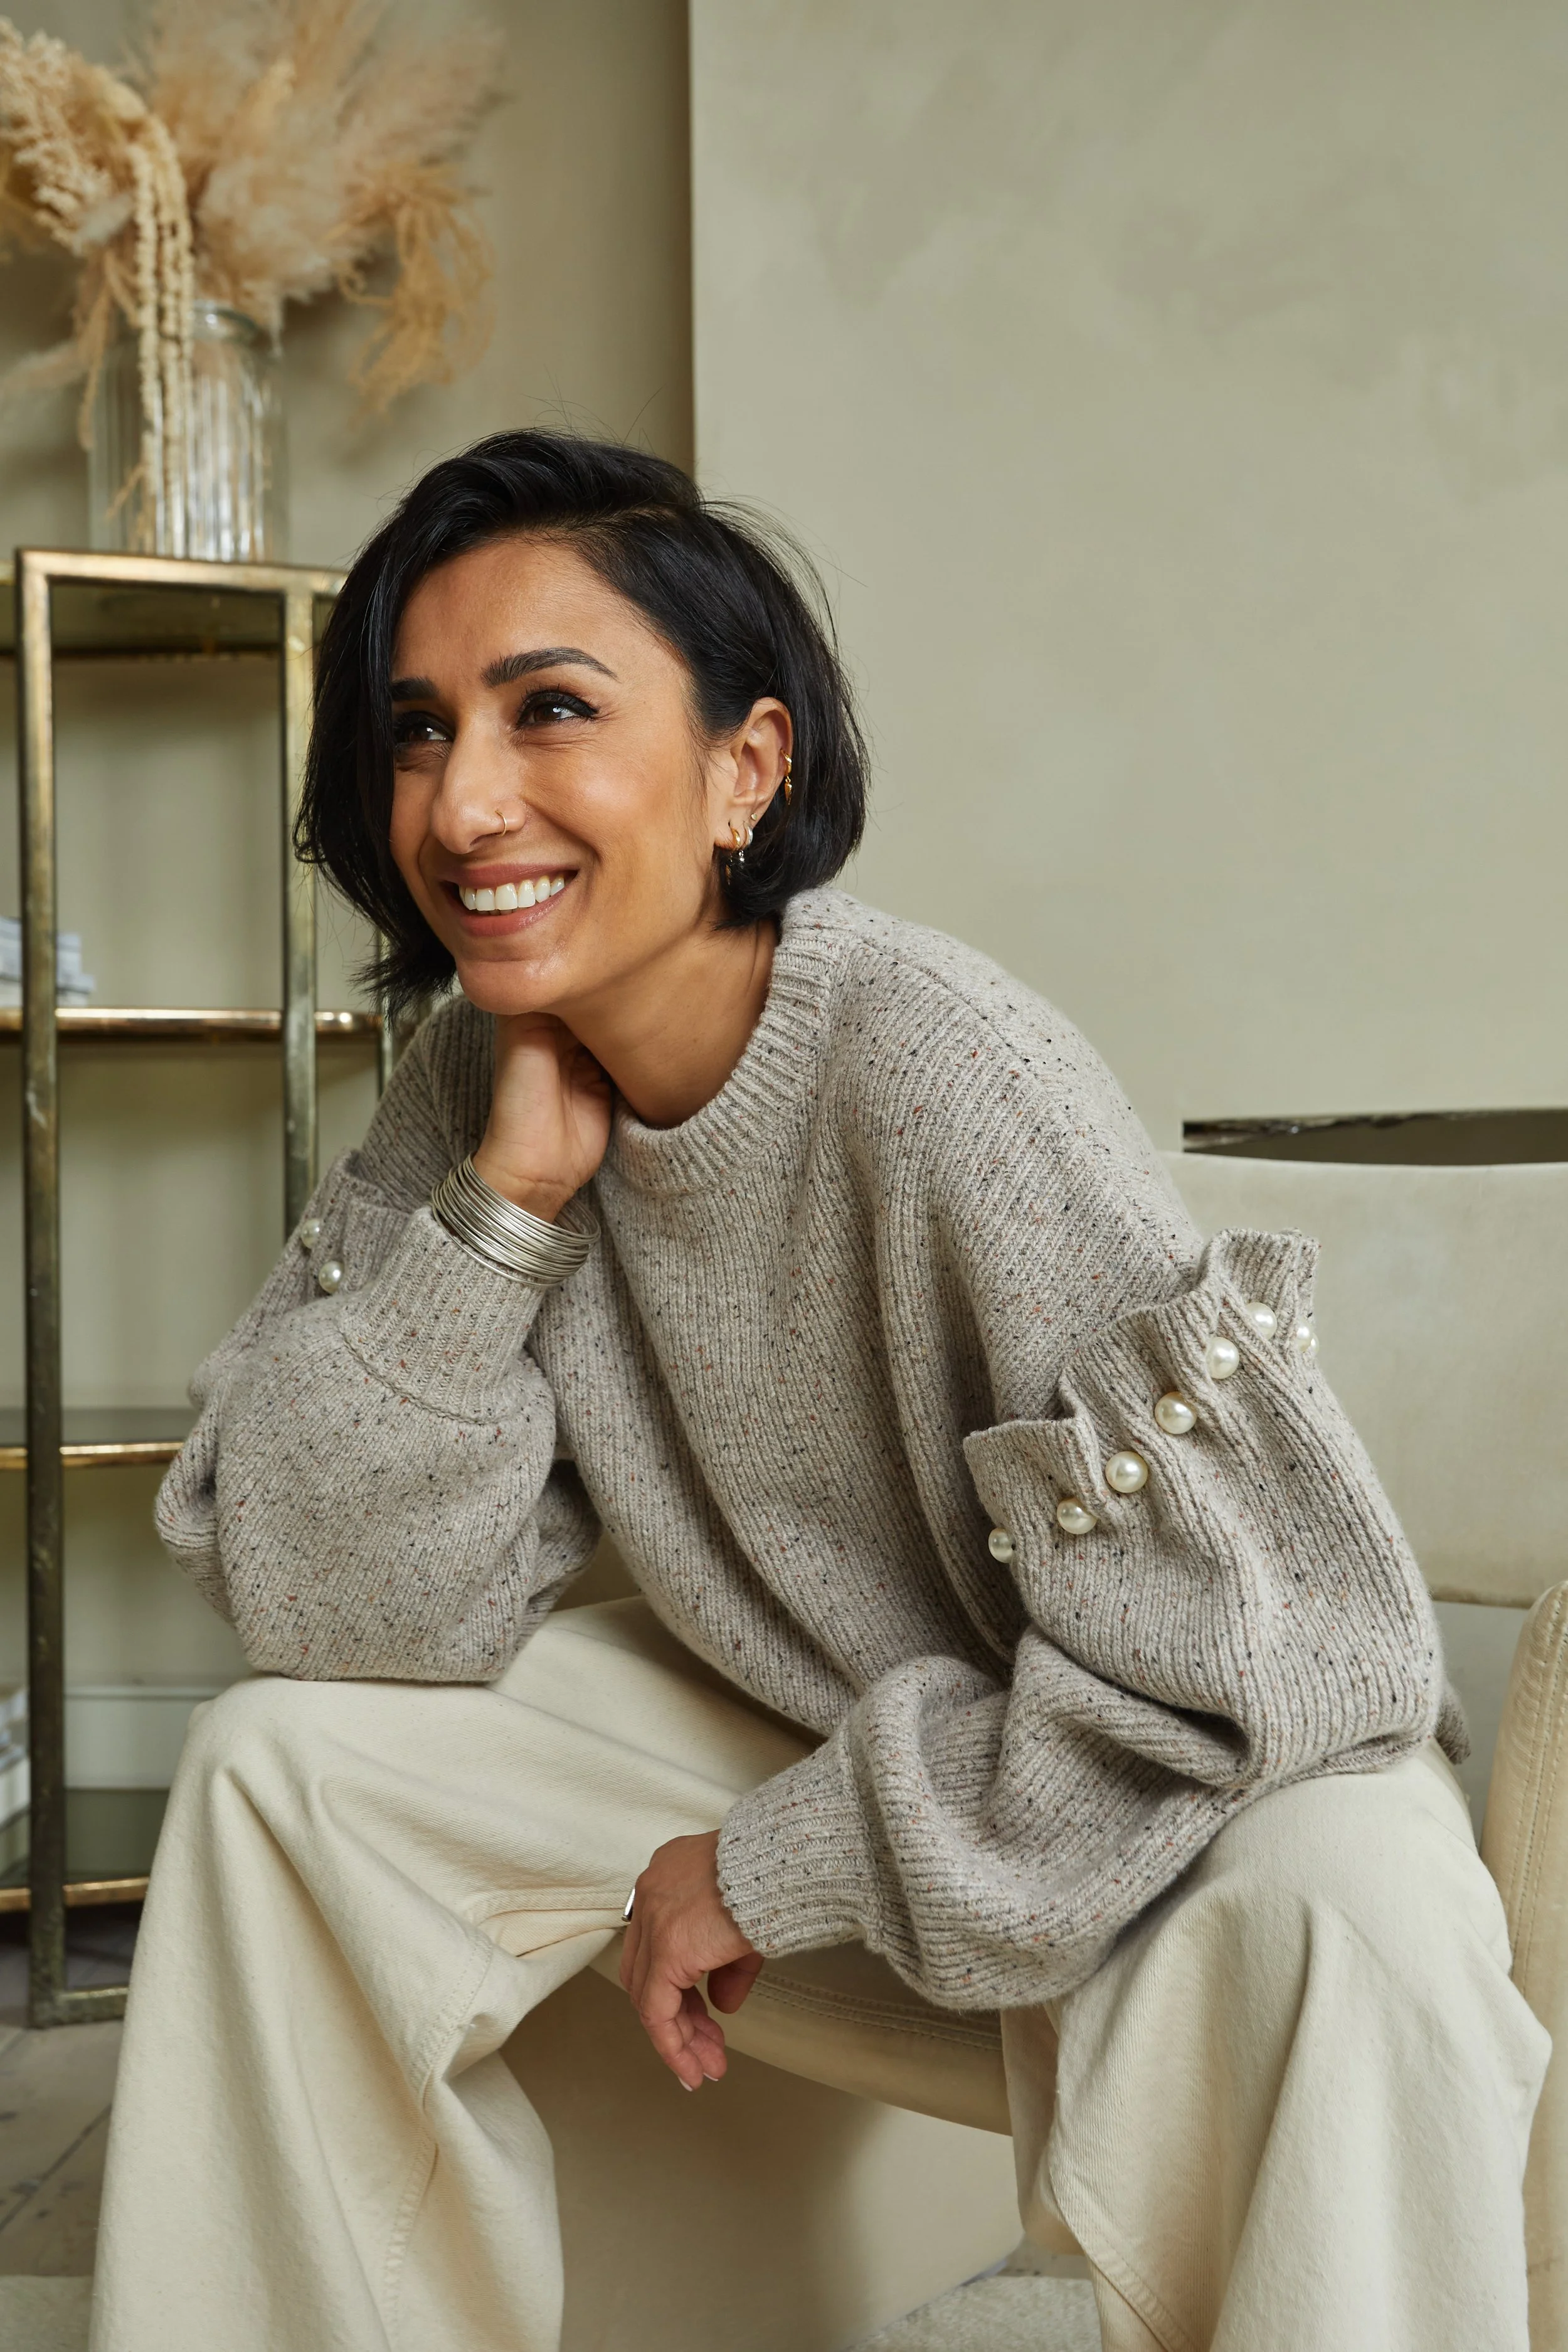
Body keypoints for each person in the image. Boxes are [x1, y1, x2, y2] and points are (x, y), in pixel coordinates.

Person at [89, 430, 1545, 2352]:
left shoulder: (942, 1070)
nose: (463, 802)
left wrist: (777, 1863)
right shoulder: (479, 1075)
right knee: (280, 1762)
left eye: (549, 710)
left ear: (744, 767)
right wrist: (504, 1209)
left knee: (1356, 1909)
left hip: (1180, 1760)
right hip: (816, 1709)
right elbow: (328, 1600)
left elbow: (1284, 1652)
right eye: (420, 729)